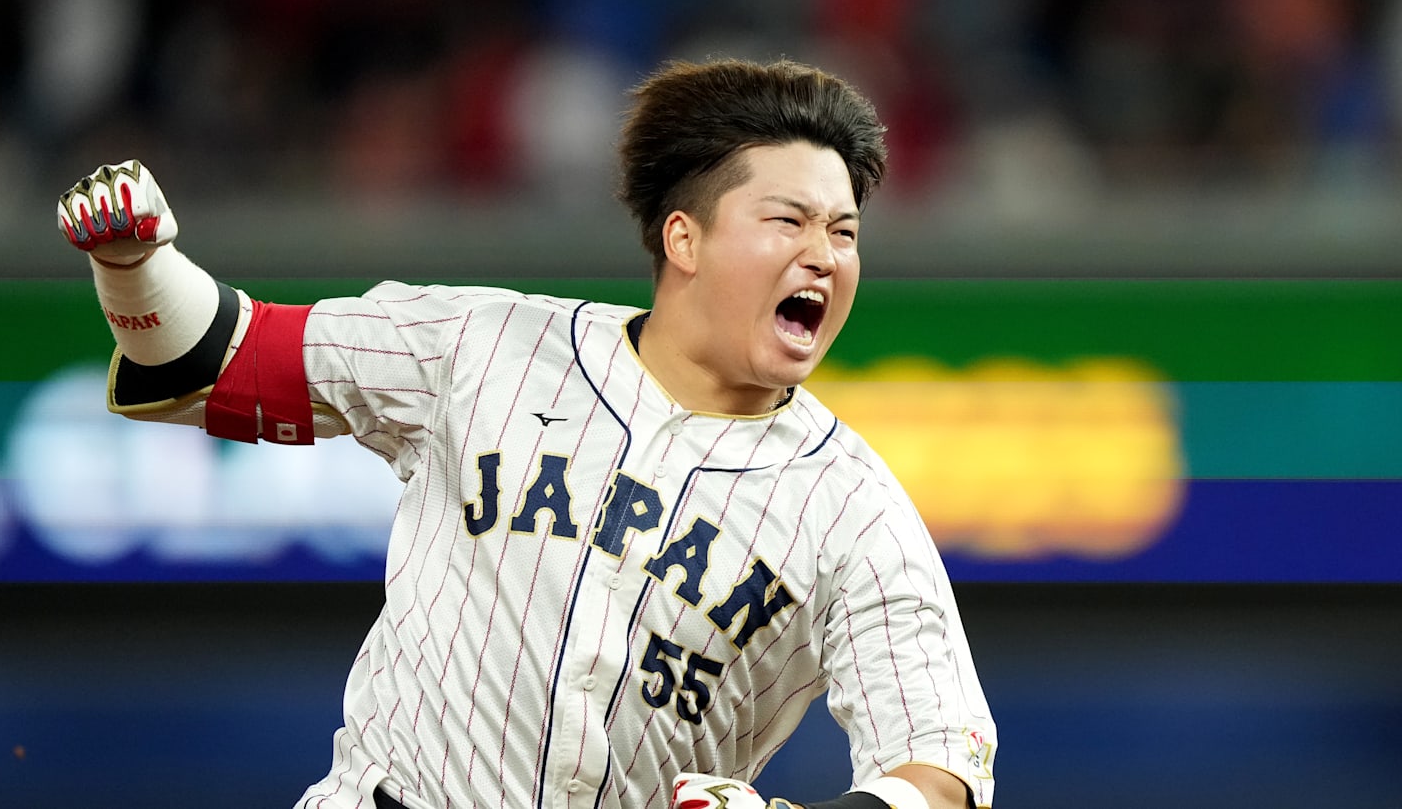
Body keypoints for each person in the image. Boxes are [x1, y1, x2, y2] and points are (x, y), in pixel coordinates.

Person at [56, 58, 996, 809]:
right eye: (788, 219)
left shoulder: (852, 505)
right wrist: (136, 266)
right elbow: (218, 360)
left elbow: (941, 764)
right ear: (685, 240)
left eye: (845, 231)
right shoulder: (482, 344)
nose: (824, 255)